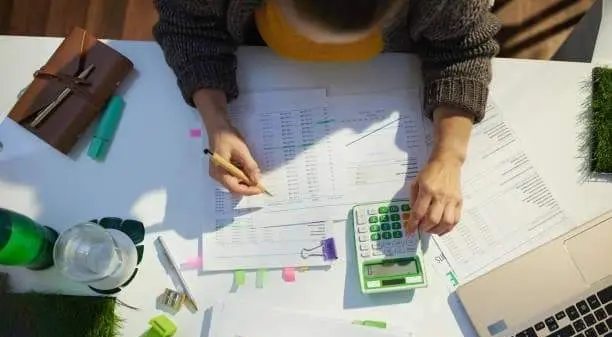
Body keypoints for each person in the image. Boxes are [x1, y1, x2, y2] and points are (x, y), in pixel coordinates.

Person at [153, 0, 501, 235]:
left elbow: (461, 48)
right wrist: (216, 119)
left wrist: (449, 156)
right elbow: (190, 26)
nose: (320, 50)